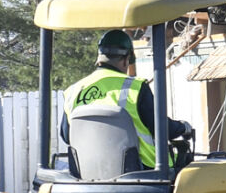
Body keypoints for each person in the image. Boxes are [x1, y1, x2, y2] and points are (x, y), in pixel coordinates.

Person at [63, 29, 187, 170]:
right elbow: (161, 128)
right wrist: (183, 127)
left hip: (87, 172)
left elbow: (67, 136)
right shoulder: (135, 88)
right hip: (143, 172)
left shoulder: (73, 92)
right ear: (126, 60)